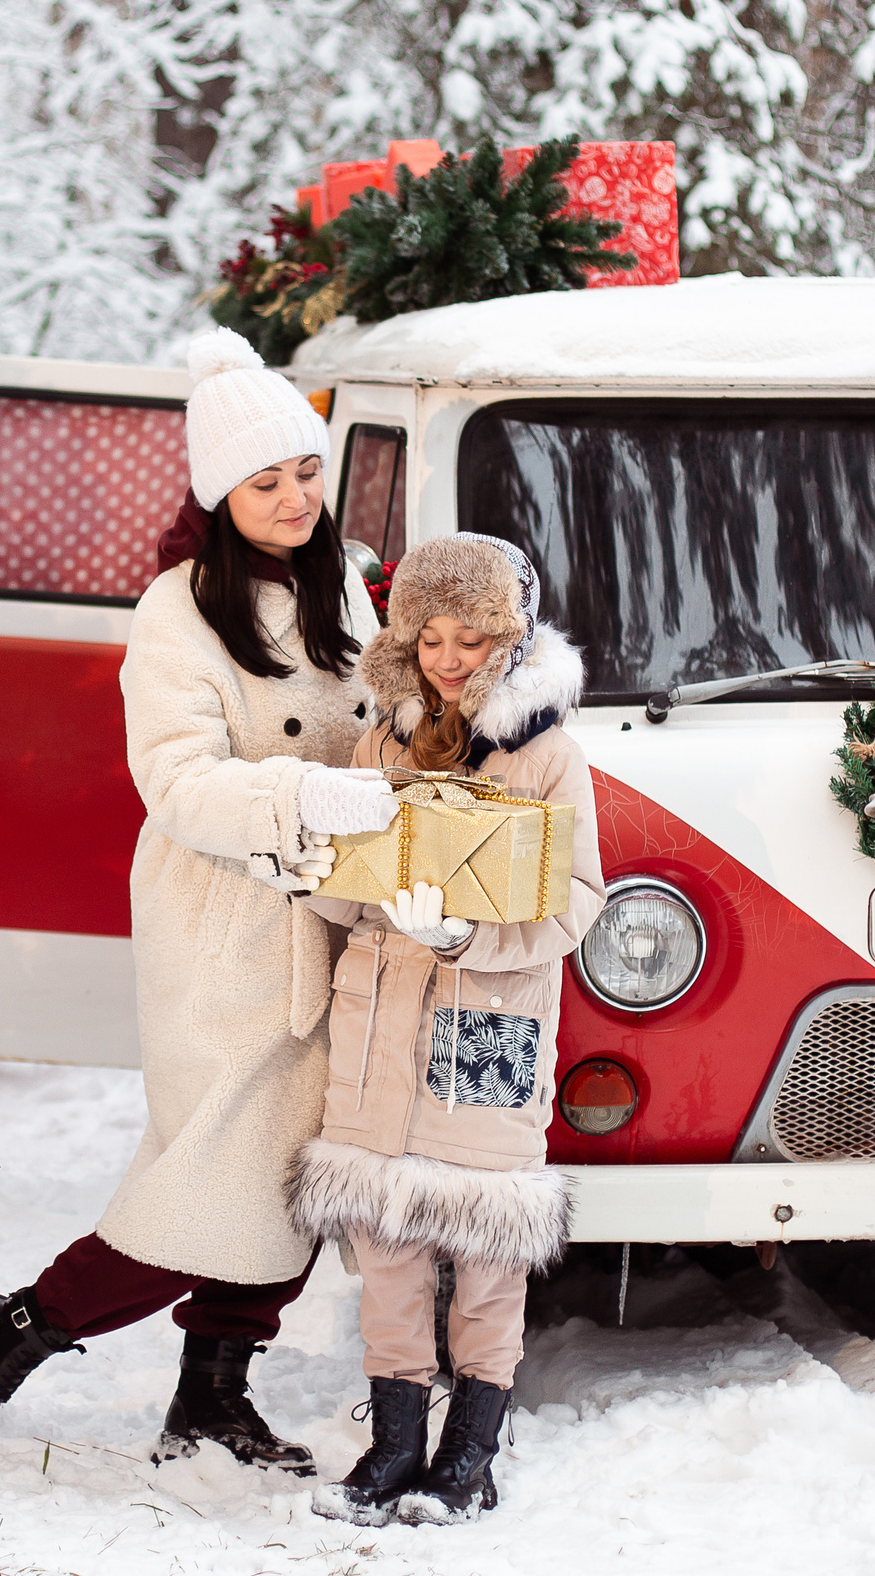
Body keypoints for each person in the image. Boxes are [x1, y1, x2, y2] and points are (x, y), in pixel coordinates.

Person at [0, 327, 398, 1472]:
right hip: (227, 930)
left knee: (296, 1184)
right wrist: (312, 798)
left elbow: (374, 733)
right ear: (218, 494)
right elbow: (177, 783)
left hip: (331, 922)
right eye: (262, 480)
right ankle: (3, 1330)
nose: (291, 497)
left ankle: (212, 1393)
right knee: (203, 1185)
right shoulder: (177, 609)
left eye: (302, 471)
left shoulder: (346, 585)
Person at [288, 533, 603, 1526]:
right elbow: (343, 892)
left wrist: (472, 934)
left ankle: (468, 1452)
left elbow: (578, 900)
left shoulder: (548, 752)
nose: (451, 656)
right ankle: (391, 1448)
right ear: (408, 636)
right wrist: (318, 873)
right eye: (432, 636)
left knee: (483, 1259)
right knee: (385, 1254)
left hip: (485, 1025)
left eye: (473, 636)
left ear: (507, 638)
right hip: (378, 1023)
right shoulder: (378, 737)